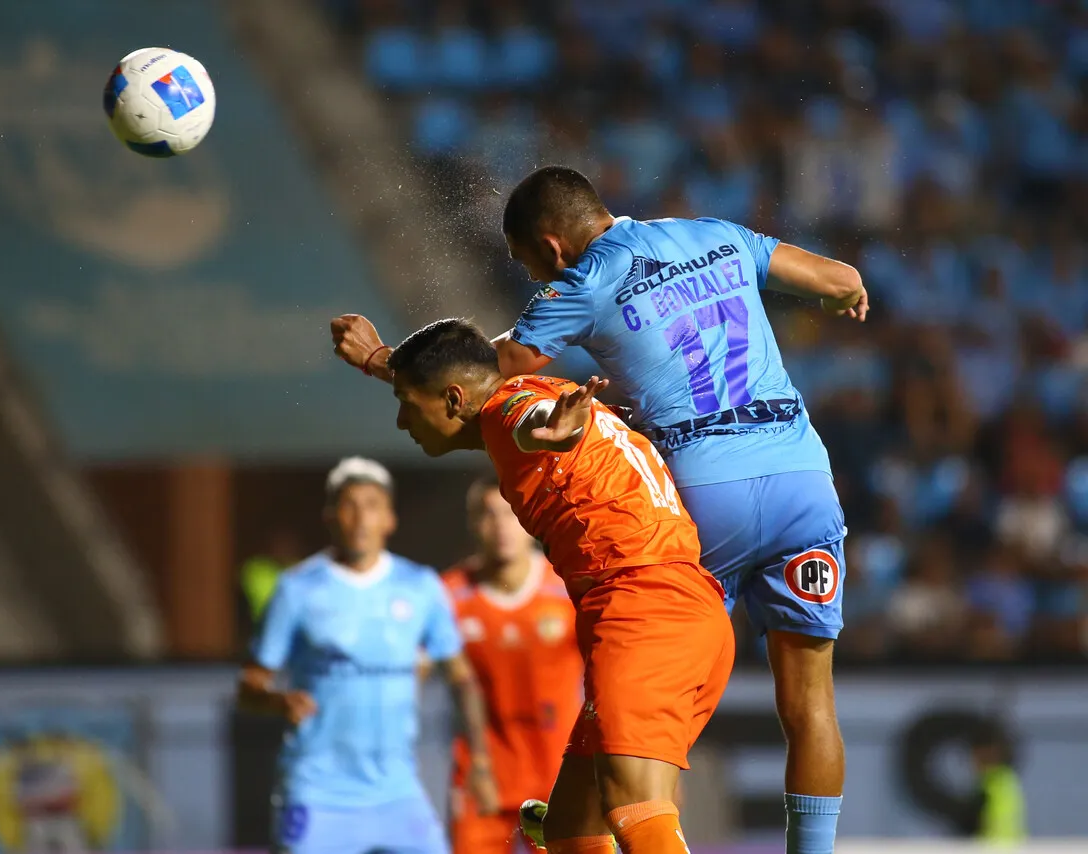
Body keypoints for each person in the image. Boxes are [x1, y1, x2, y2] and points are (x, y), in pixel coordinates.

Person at [332, 165, 866, 854]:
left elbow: (487, 381)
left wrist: (382, 361)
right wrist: (841, 297)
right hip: (802, 477)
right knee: (809, 704)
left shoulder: (583, 284)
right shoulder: (713, 233)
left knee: (638, 737)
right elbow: (839, 277)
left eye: (526, 265)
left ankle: (638, 824)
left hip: (702, 500)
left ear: (552, 248)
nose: (530, 280)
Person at [342, 318, 734, 854]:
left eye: (408, 403)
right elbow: (473, 380)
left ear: (455, 398)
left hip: (644, 608)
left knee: (633, 804)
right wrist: (379, 360)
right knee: (572, 826)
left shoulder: (512, 412)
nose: (401, 420)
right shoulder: (524, 389)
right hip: (682, 606)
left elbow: (526, 422)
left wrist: (549, 429)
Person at [237, 457, 497, 854]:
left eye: (372, 505)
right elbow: (248, 688)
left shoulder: (420, 586)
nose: (361, 518)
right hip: (318, 791)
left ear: (389, 519)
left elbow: (460, 677)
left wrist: (480, 760)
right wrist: (278, 701)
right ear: (330, 516)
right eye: (349, 505)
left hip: (397, 791)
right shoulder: (297, 589)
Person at [443, 476, 583, 854]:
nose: (501, 526)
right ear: (473, 524)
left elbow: (612, 673)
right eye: (489, 515)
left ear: (529, 519)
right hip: (482, 774)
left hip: (558, 773)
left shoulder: (568, 587)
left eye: (511, 514)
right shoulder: (450, 595)